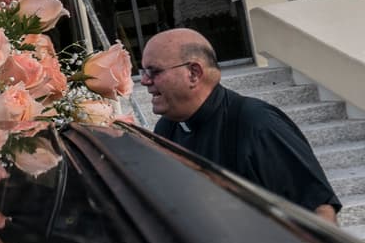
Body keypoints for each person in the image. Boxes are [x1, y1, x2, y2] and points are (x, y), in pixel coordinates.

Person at [143, 28, 340, 223]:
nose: (144, 81)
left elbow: (320, 211)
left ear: (194, 73)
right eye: (143, 72)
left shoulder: (257, 123)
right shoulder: (167, 128)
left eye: (154, 71)